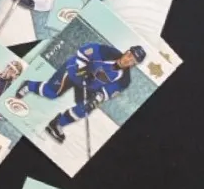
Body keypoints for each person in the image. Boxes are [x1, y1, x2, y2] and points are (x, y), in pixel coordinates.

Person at [16, 43, 146, 144]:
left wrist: (95, 99)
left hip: (89, 86)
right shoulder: (107, 52)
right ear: (127, 52)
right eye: (129, 55)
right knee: (51, 93)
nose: (128, 60)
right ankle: (28, 85)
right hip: (74, 71)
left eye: (132, 61)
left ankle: (57, 123)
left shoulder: (124, 80)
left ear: (134, 65)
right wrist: (83, 70)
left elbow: (106, 93)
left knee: (86, 108)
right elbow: (84, 51)